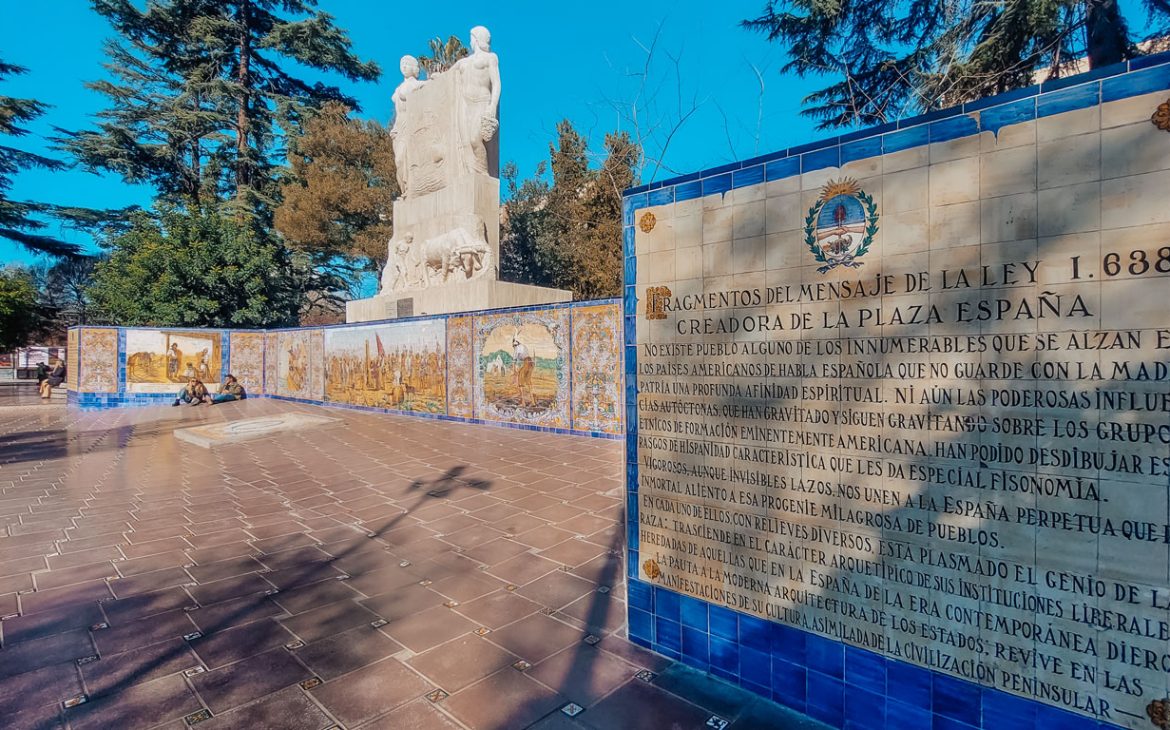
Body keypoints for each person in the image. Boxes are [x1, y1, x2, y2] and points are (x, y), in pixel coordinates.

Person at [512, 336, 534, 407]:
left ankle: (523, 403)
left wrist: (514, 371)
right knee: (528, 381)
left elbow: (514, 361)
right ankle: (533, 402)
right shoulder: (523, 346)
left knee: (520, 382)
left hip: (526, 363)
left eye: (513, 345)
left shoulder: (516, 348)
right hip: (530, 363)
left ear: (514, 344)